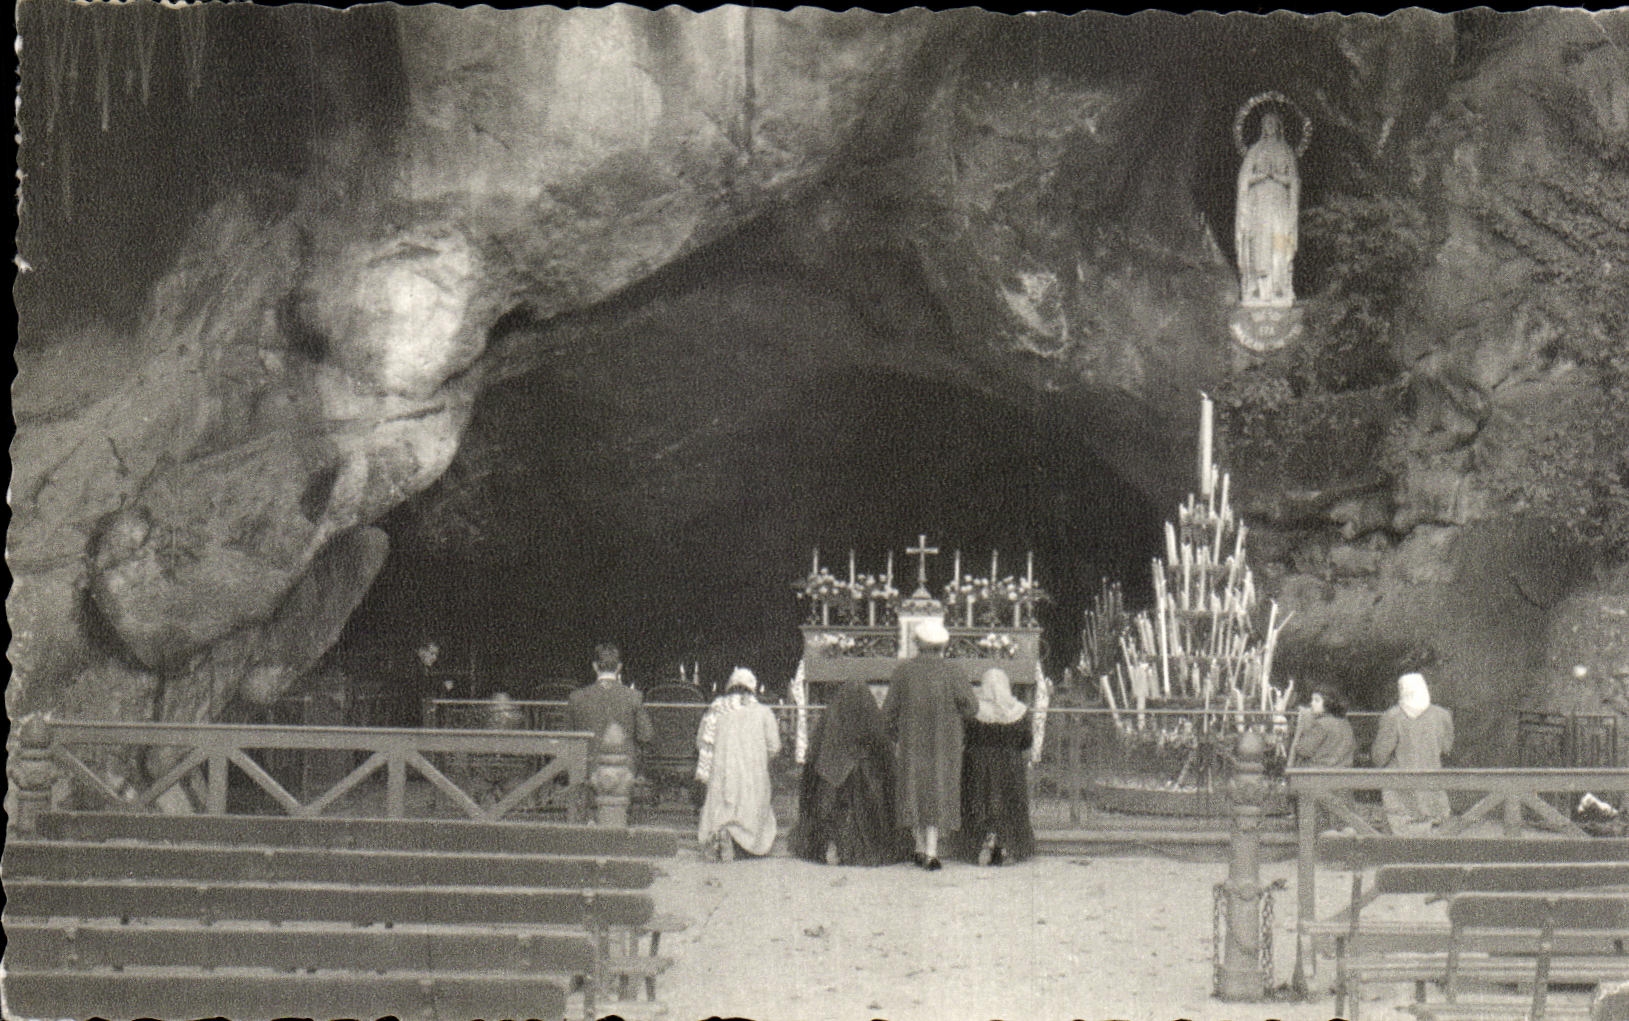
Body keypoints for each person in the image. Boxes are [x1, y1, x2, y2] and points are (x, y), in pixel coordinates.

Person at [884, 619, 978, 871]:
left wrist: (897, 734)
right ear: (942, 645)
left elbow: (889, 711)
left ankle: (918, 847)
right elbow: (972, 707)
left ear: (917, 643)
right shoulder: (953, 671)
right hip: (944, 744)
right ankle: (933, 852)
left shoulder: (904, 671)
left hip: (912, 742)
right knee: (938, 789)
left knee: (914, 788)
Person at [794, 678, 908, 867]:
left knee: (832, 805)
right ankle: (851, 849)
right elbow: (881, 744)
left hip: (832, 774)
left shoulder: (832, 716)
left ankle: (831, 845)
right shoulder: (869, 715)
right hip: (862, 775)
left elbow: (816, 751)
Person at [696, 667, 782, 860]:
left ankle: (720, 834)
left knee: (720, 808)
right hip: (753, 777)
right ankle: (741, 844)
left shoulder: (716, 709)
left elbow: (701, 741)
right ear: (752, 689)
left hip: (723, 775)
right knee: (754, 812)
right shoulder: (764, 712)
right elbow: (775, 747)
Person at [958, 668, 1035, 866]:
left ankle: (979, 845)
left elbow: (965, 737)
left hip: (978, 764)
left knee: (979, 802)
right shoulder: (1020, 711)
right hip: (1010, 765)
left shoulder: (974, 711)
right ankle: (1007, 847)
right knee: (1009, 804)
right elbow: (1026, 741)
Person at [1372, 672, 1455, 834]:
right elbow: (1447, 748)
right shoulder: (1442, 715)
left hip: (1400, 788)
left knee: (1402, 833)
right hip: (1432, 785)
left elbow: (1379, 756)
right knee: (1434, 832)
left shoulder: (1393, 716)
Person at [1235, 109, 1300, 306]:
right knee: (1261, 242)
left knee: (1280, 240)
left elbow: (1294, 180)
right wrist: (1261, 176)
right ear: (1262, 128)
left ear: (1279, 127)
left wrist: (1277, 177)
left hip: (1279, 202)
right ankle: (1260, 288)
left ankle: (1280, 285)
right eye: (1266, 124)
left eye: (1273, 124)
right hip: (1260, 203)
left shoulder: (1286, 151)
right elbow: (1244, 179)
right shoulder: (1255, 150)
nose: (1269, 127)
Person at [567, 643, 655, 767]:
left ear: (594, 666)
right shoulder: (634, 696)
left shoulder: (576, 697)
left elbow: (567, 737)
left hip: (587, 768)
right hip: (623, 770)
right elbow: (646, 736)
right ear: (619, 667)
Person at [1291, 689, 1357, 768]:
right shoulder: (1345, 723)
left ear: (1328, 703)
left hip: (1318, 771)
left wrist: (1303, 726)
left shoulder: (1321, 724)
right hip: (1343, 771)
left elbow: (1303, 750)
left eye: (1317, 700)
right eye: (1312, 700)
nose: (1312, 703)